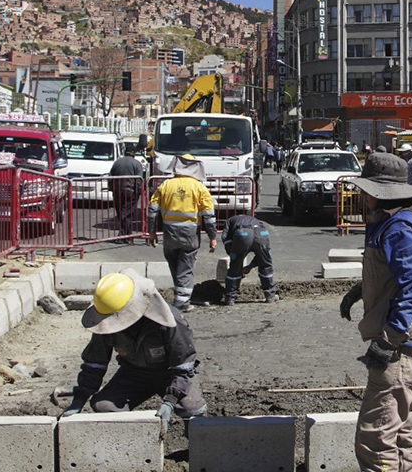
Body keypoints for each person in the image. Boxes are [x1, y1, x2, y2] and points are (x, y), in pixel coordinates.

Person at [342, 152, 412, 472]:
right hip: (409, 339)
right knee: (403, 427)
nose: (361, 195)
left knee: (376, 435)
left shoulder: (398, 227)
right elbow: (394, 275)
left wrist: (388, 339)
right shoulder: (394, 220)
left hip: (401, 344)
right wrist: (361, 290)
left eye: (365, 190)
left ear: (376, 192)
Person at [61, 269, 206, 429]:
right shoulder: (107, 322)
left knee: (193, 408)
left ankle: (197, 447)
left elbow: (183, 366)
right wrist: (79, 399)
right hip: (133, 373)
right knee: (104, 406)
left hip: (170, 373)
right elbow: (95, 363)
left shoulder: (170, 322)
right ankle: (126, 446)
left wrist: (170, 401)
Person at [147, 155, 217, 311]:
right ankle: (182, 303)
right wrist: (213, 236)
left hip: (169, 233)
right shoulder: (199, 187)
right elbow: (209, 215)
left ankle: (180, 297)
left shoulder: (165, 185)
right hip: (190, 233)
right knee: (185, 268)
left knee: (175, 266)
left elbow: (152, 211)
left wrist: (151, 232)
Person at [220, 214, 277, 305]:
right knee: (265, 263)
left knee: (235, 268)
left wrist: (234, 257)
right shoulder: (255, 220)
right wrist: (251, 266)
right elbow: (262, 256)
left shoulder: (229, 221)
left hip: (243, 234)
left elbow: (226, 238)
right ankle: (270, 295)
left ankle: (230, 298)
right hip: (261, 233)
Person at [109, 145, 146, 242]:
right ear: (134, 154)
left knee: (121, 213)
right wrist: (139, 191)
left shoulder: (117, 162)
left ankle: (126, 234)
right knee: (127, 214)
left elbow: (110, 177)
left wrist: (112, 189)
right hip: (130, 191)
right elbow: (139, 180)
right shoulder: (136, 164)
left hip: (117, 191)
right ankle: (124, 235)